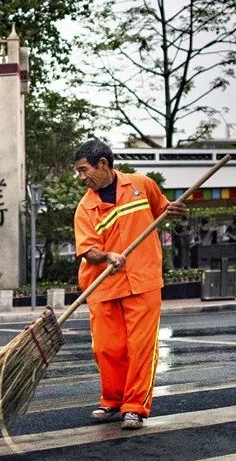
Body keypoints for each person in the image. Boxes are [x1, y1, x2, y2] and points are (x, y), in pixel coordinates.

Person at [73, 140, 186, 430]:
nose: (81, 177)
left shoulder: (141, 185)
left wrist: (173, 210)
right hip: (103, 284)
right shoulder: (86, 207)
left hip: (143, 279)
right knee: (107, 348)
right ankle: (112, 399)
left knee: (141, 347)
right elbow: (88, 251)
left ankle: (134, 406)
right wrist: (107, 255)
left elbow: (163, 209)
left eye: (84, 170)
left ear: (102, 164)